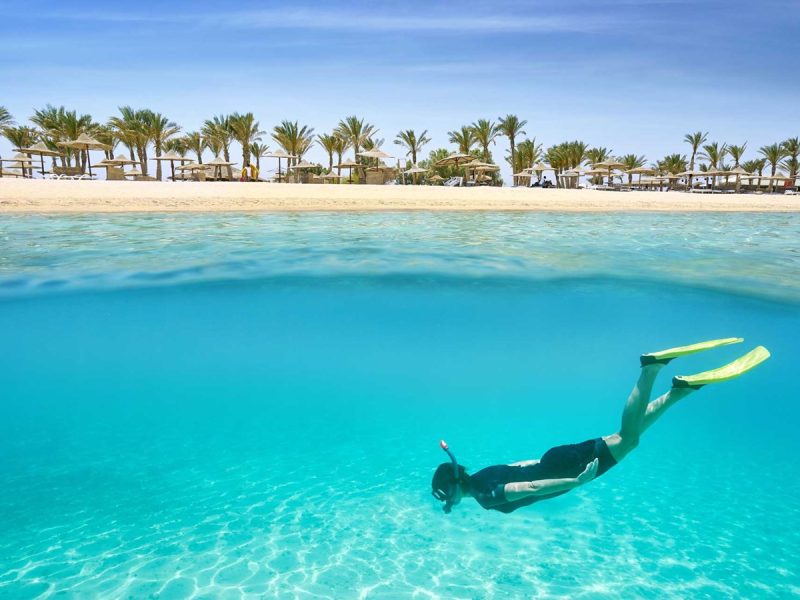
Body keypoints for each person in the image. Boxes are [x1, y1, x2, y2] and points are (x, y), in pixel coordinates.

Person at [431, 339, 770, 514]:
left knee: (626, 437)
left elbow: (529, 488)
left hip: (564, 469)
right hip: (553, 460)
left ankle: (651, 369)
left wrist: (574, 481)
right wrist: (558, 468)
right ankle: (680, 390)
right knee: (629, 439)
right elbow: (521, 466)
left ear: (451, 490)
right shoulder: (482, 475)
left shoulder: (483, 496)